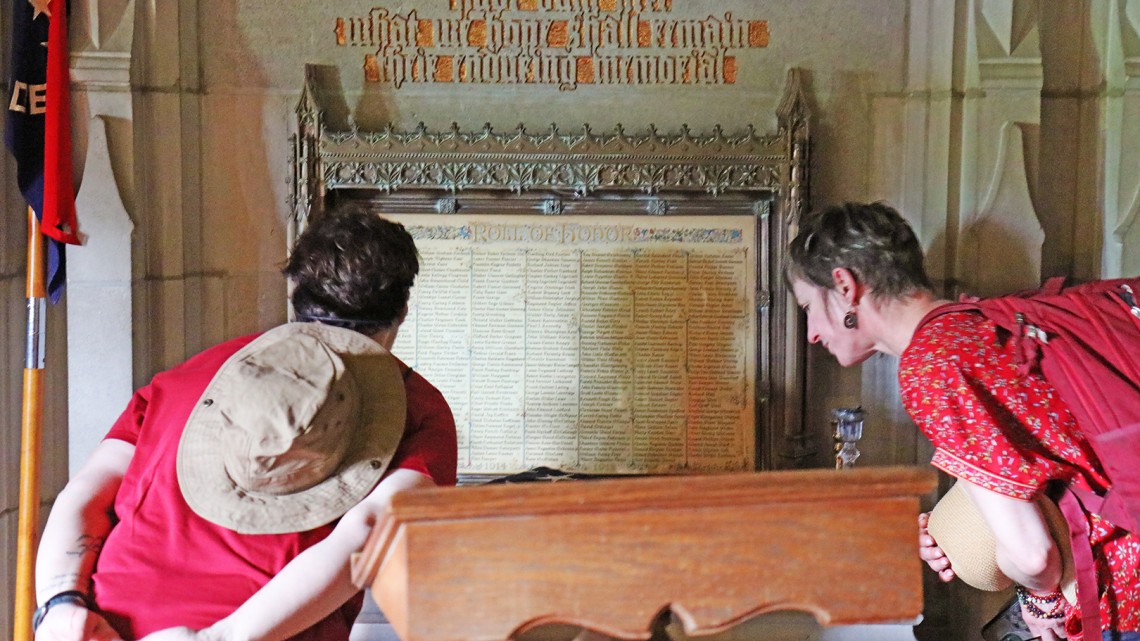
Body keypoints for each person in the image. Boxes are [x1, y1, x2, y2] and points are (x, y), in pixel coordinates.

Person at [33, 205, 458, 641]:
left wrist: (58, 604)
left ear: (295, 291)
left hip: (108, 624)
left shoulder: (201, 372)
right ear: (403, 310)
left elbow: (87, 489)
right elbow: (369, 532)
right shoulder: (420, 410)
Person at [785, 201, 1139, 641]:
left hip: (1121, 599)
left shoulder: (932, 363)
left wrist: (1041, 604)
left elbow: (1032, 557)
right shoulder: (978, 326)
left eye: (807, 308)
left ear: (843, 286)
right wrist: (954, 528)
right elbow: (1048, 467)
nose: (812, 333)